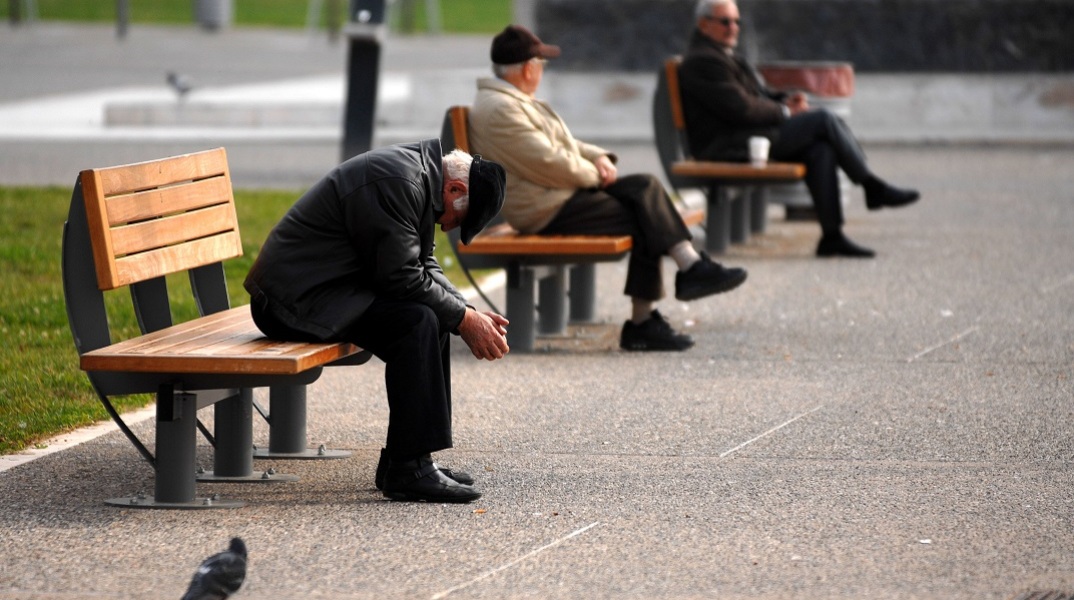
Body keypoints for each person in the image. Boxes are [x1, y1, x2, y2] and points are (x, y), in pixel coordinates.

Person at [244, 139, 508, 503]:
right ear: (455, 188)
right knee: (416, 321)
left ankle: (413, 459)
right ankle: (408, 467)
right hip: (292, 301)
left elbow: (424, 264)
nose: (448, 227)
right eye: (458, 218)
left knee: (437, 314)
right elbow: (401, 277)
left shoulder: (421, 179)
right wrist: (465, 318)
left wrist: (465, 312)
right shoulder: (399, 182)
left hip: (330, 291)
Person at [468, 24, 748, 353]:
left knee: (645, 189)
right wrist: (596, 175)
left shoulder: (510, 101)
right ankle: (654, 310)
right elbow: (549, 161)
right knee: (646, 213)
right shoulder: (501, 109)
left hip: (558, 196)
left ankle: (683, 277)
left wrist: (599, 156)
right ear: (528, 68)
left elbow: (567, 145)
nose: (542, 71)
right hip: (545, 209)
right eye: (540, 64)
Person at [679, 0, 921, 258]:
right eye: (725, 21)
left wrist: (784, 100)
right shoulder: (703, 61)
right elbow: (740, 109)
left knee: (821, 149)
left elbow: (758, 96)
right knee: (823, 120)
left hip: (747, 138)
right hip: (727, 146)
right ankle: (872, 187)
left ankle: (832, 237)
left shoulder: (722, 56)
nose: (733, 27)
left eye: (737, 21)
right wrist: (785, 112)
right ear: (703, 25)